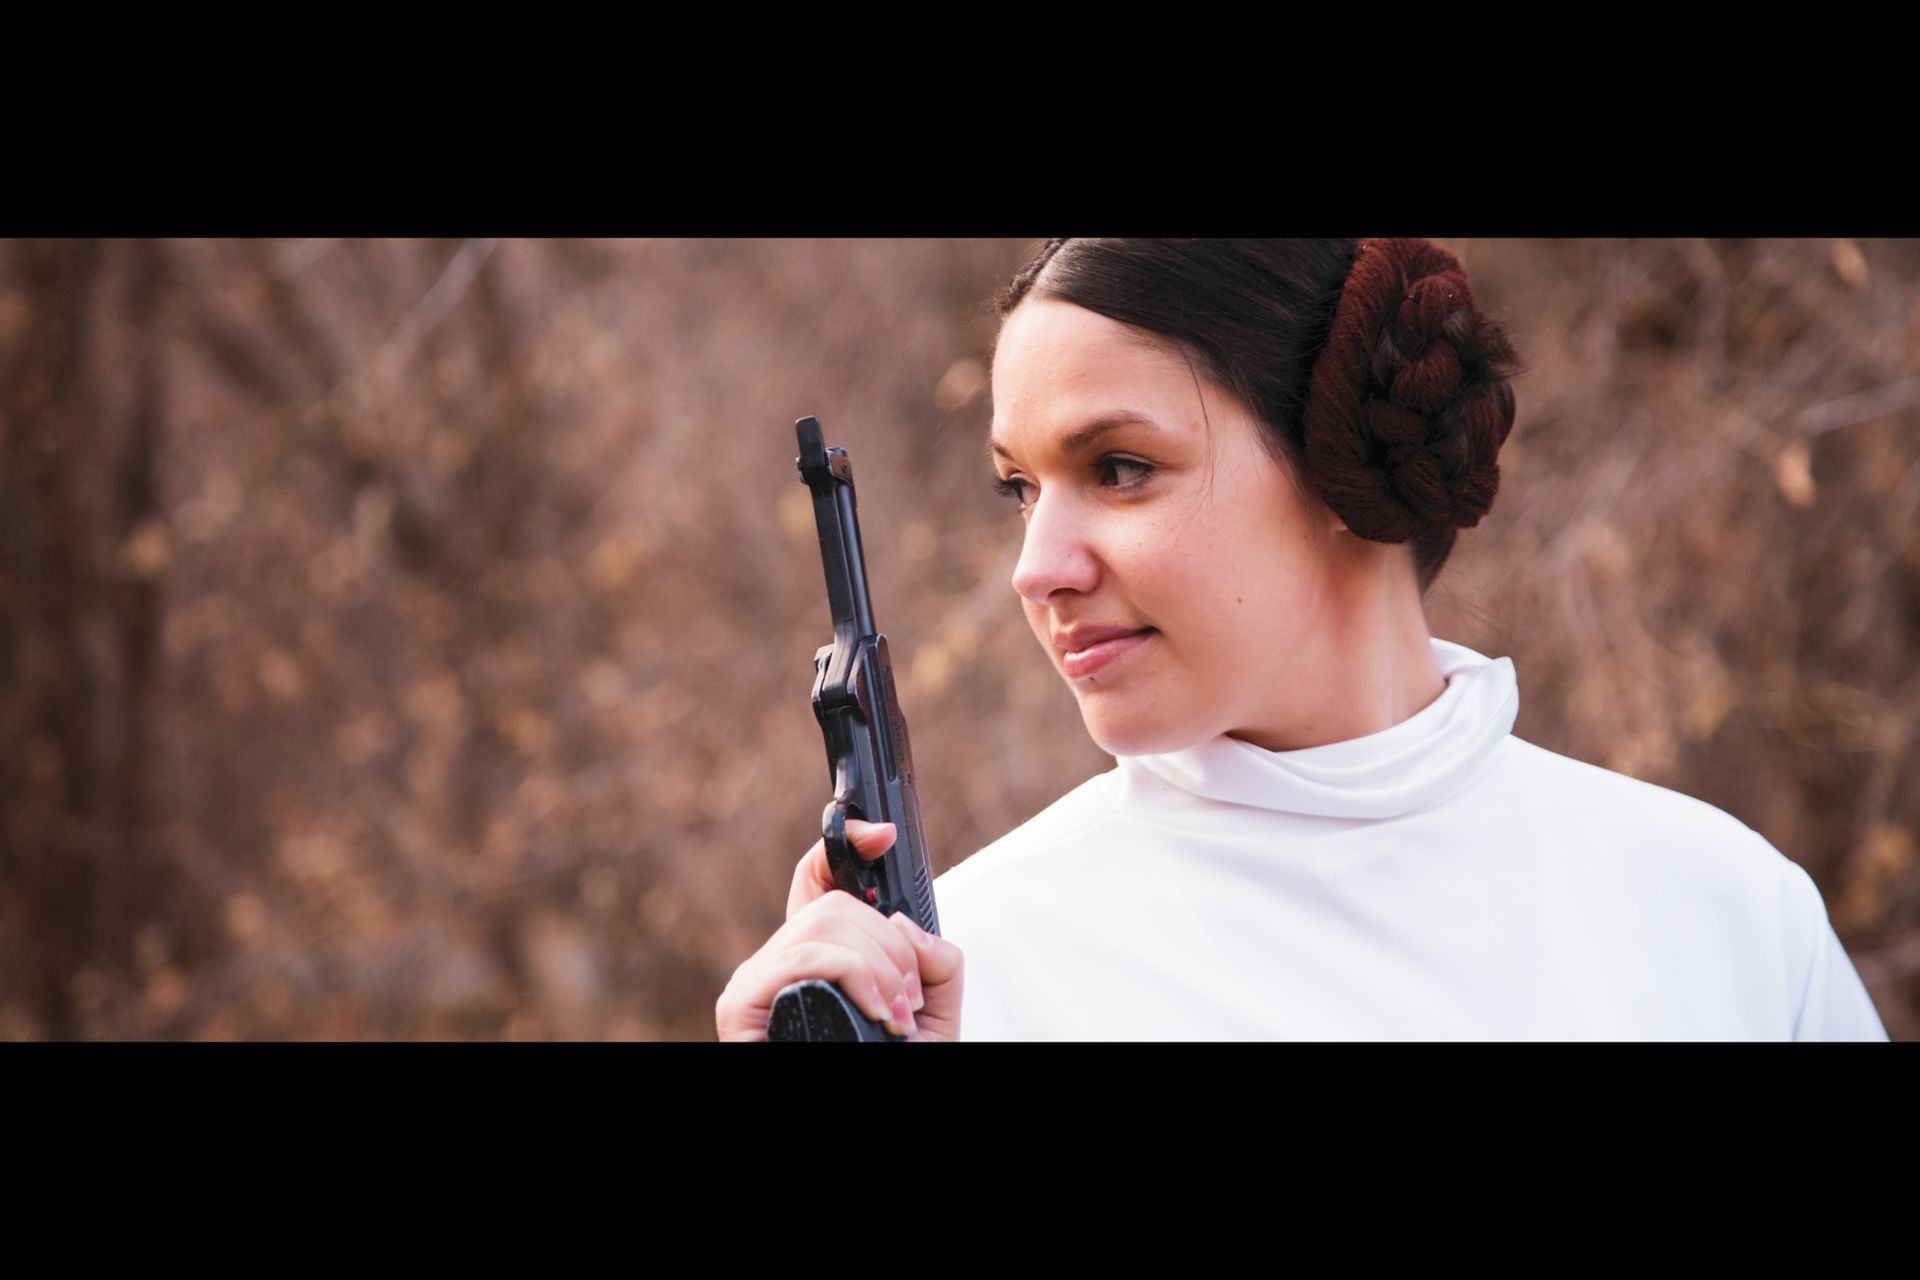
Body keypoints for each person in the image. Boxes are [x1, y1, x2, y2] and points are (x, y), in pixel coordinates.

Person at [714, 237, 1890, 1042]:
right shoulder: (958, 978)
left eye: (1118, 467)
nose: (1037, 566)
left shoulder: (1721, 913)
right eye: (1019, 488)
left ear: (1338, 459)